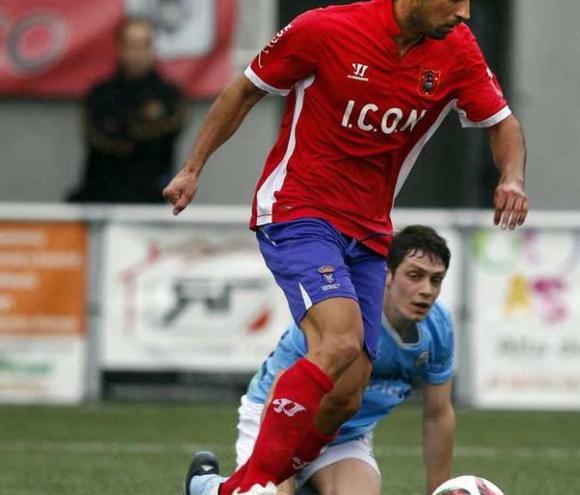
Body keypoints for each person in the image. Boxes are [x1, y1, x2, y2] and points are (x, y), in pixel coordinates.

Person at [164, 1, 529, 494]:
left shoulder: (456, 49)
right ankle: (247, 486)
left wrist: (511, 177)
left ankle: (220, 489)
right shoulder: (325, 29)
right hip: (299, 209)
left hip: (370, 229)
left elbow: (502, 123)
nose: (465, 13)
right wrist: (192, 168)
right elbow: (245, 90)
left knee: (349, 393)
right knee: (337, 342)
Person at [187, 225, 455, 495]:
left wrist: (439, 490)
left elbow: (438, 413)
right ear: (386, 273)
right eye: (414, 275)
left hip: (345, 438)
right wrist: (280, 474)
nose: (426, 290)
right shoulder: (341, 318)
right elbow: (281, 392)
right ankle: (207, 486)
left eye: (436, 280)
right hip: (279, 421)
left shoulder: (439, 327)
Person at [68, 18, 185, 204]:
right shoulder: (100, 94)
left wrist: (123, 129)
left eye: (142, 46)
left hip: (150, 197)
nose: (137, 54)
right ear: (120, 48)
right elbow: (98, 137)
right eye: (131, 45)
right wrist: (138, 131)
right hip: (101, 195)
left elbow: (166, 132)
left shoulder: (168, 95)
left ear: (152, 49)